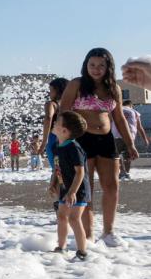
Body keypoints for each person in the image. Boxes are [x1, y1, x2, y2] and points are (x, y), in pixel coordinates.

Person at [59, 48, 138, 248]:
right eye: (92, 65)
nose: (96, 69)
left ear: (108, 67)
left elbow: (119, 118)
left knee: (112, 186)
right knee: (87, 190)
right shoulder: (76, 84)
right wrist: (62, 142)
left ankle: (109, 232)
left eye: (101, 65)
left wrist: (130, 144)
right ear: (86, 65)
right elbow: (64, 113)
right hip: (81, 140)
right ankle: (88, 235)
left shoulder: (114, 89)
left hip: (106, 140)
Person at [47, 111, 91, 260]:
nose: (53, 123)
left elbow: (80, 173)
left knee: (73, 219)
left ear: (64, 131)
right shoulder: (56, 146)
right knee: (61, 216)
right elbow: (57, 167)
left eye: (57, 122)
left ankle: (82, 252)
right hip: (65, 188)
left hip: (78, 189)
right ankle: (61, 247)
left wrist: (72, 192)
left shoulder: (74, 148)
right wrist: (53, 182)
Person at [112, 99, 149, 179]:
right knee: (128, 156)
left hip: (117, 135)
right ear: (131, 105)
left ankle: (121, 171)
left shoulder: (117, 109)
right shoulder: (134, 112)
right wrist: (145, 139)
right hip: (130, 136)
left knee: (116, 155)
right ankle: (127, 173)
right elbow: (140, 127)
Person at [37, 78, 68, 171]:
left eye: (51, 90)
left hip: (53, 138)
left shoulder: (51, 104)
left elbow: (48, 118)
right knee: (67, 169)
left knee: (57, 170)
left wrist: (44, 141)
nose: (49, 93)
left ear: (57, 91)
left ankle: (57, 185)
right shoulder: (69, 104)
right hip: (67, 138)